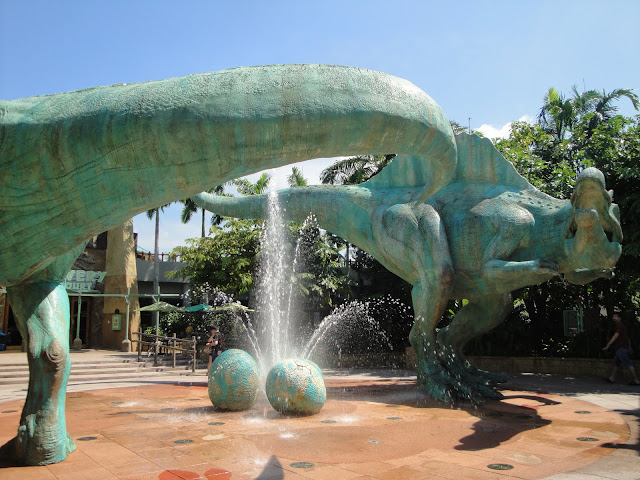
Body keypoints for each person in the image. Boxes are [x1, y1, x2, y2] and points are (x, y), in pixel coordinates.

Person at [603, 313, 640, 385]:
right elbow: (627, 338)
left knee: (628, 363)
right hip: (621, 348)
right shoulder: (622, 326)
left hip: (622, 349)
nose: (613, 318)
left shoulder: (620, 326)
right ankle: (612, 378)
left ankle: (636, 380)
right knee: (616, 363)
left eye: (615, 316)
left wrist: (608, 345)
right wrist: (629, 347)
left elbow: (615, 336)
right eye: (613, 316)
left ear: (620, 318)